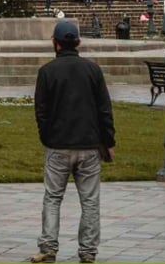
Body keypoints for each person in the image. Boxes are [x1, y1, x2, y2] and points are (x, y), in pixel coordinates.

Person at [30, 19, 115, 264]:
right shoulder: (92, 70)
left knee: (53, 197)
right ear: (77, 42)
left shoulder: (47, 72)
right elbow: (104, 110)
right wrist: (108, 140)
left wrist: (46, 136)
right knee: (89, 201)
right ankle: (88, 251)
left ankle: (48, 247)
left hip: (57, 144)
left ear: (55, 44)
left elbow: (41, 111)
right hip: (88, 144)